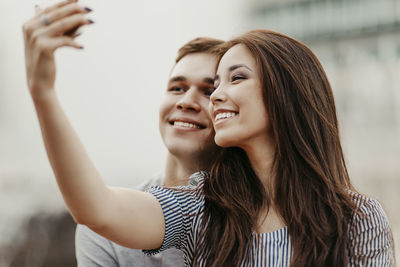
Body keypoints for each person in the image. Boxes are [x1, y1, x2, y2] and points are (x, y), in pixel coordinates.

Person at [23, 1, 395, 266]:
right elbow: (98, 210)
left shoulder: (356, 219)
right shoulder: (201, 209)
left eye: (235, 78)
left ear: (285, 92)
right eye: (216, 83)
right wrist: (44, 93)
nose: (214, 96)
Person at [75, 37, 224, 266]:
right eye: (177, 88)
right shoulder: (103, 227)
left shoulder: (261, 219)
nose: (186, 101)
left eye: (208, 91)